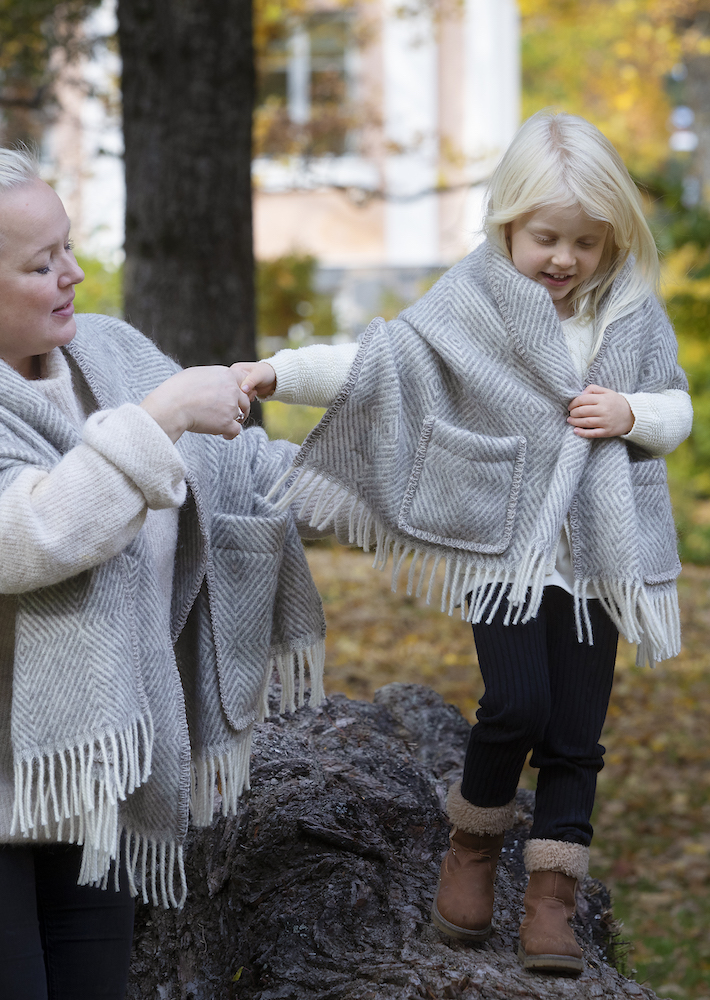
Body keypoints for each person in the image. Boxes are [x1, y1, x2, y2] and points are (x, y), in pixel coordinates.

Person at [235, 110, 693, 975]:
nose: (564, 259)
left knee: (576, 735)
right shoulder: (473, 302)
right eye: (546, 238)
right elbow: (382, 362)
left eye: (586, 244)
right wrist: (276, 373)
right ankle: (473, 846)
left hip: (597, 559)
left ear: (612, 243)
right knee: (516, 704)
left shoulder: (630, 316)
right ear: (507, 225)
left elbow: (676, 406)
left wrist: (631, 414)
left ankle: (552, 902)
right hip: (501, 548)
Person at [0, 147, 326, 1000]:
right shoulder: (142, 400)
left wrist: (395, 484)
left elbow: (244, 467)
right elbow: (30, 532)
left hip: (92, 781)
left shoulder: (105, 353)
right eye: (41, 264)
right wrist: (165, 415)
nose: (73, 273)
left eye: (68, 246)